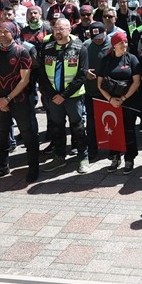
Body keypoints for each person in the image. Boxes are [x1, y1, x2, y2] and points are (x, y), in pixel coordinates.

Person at [0, 22, 39, 183]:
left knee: (28, 133)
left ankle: (33, 167)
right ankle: (2, 166)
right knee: (1, 133)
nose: (2, 34)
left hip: (19, 100)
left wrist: (7, 98)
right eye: (0, 32)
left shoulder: (22, 52)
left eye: (6, 32)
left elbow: (24, 80)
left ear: (14, 33)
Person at [38, 17, 88, 171]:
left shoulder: (80, 48)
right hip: (53, 98)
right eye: (55, 28)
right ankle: (59, 157)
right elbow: (41, 74)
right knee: (56, 127)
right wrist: (53, 95)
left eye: (61, 29)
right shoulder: (47, 48)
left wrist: (64, 95)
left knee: (78, 127)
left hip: (72, 97)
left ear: (69, 30)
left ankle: (83, 157)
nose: (57, 31)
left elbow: (82, 74)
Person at [96, 29, 142, 173]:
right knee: (113, 130)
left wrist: (123, 98)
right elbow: (100, 84)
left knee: (129, 130)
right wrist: (110, 99)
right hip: (111, 102)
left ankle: (130, 158)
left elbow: (136, 82)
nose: (124, 45)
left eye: (125, 42)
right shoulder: (106, 60)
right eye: (121, 43)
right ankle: (115, 156)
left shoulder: (132, 59)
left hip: (128, 100)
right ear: (114, 45)